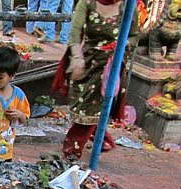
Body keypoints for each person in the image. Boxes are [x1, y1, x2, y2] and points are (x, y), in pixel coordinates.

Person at [52, 0, 139, 159]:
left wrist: (123, 44)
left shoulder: (128, 6)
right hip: (87, 60)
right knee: (80, 105)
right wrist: (76, 57)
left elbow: (134, 35)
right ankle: (102, 138)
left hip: (110, 67)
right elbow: (75, 32)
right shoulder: (87, 3)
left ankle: (71, 152)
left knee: (90, 109)